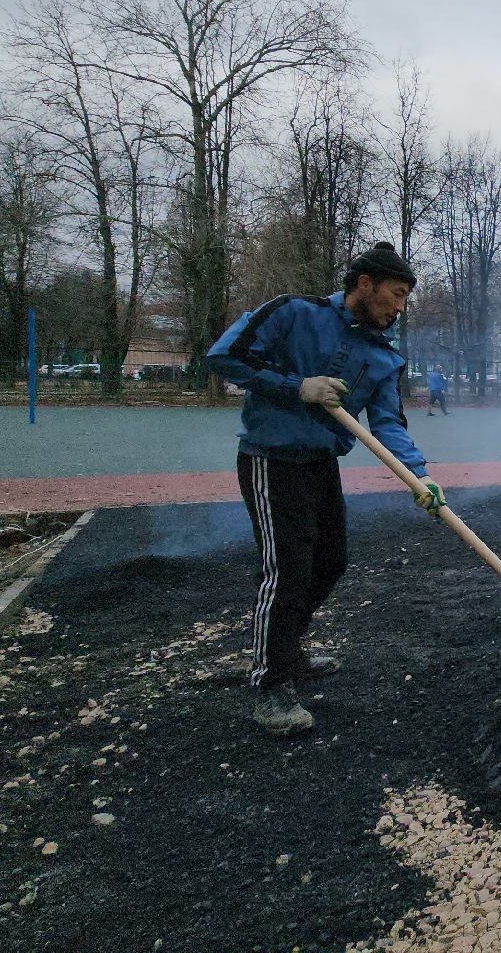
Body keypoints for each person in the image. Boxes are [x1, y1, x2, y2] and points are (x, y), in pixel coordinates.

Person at [206, 240, 443, 736]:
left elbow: (388, 423)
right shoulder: (294, 312)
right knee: (287, 570)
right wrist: (298, 387)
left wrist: (417, 475)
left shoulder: (382, 356)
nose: (399, 308)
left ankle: (285, 649)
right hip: (272, 458)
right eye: (395, 294)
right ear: (364, 284)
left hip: (319, 464)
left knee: (331, 562)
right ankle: (271, 684)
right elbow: (225, 356)